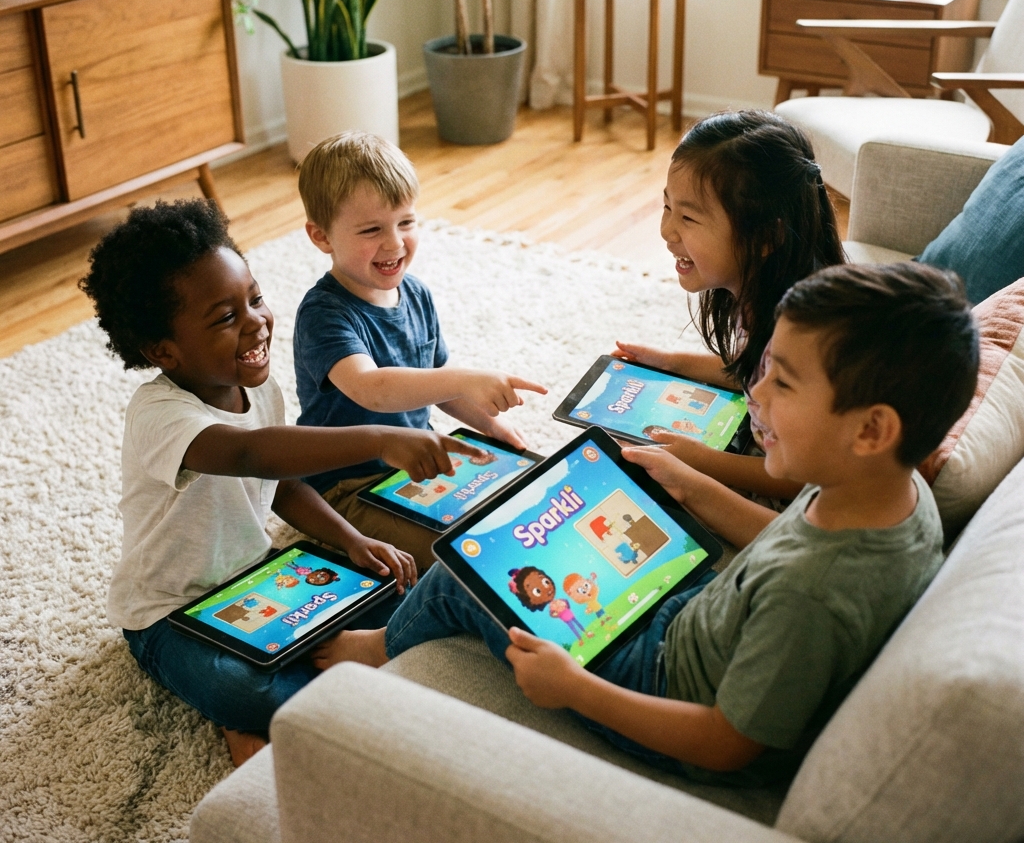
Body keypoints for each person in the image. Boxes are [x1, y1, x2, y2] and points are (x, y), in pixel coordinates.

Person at [313, 263, 978, 786]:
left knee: (467, 573)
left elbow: (724, 743)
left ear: (871, 430)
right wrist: (689, 483)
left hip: (659, 681)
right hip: (698, 618)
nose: (755, 392)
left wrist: (576, 689)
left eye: (784, 383)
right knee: (585, 513)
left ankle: (377, 648)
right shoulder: (896, 494)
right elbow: (779, 540)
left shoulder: (813, 595)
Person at [80, 199, 487, 768]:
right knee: (246, 688)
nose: (256, 322)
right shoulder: (159, 416)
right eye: (225, 318)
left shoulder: (259, 389)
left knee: (402, 599)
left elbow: (284, 483)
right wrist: (377, 438)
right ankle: (246, 716)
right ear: (162, 350)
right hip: (169, 613)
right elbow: (248, 452)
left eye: (255, 299)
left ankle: (288, 695)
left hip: (259, 577)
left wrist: (352, 540)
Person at [293, 131, 546, 572]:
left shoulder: (416, 294)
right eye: (371, 230)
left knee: (526, 504)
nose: (394, 244)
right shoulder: (323, 314)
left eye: (406, 222)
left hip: (418, 461)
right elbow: (372, 389)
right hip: (346, 486)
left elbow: (437, 386)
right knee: (462, 556)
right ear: (322, 236)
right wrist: (465, 378)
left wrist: (493, 428)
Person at [613, 110, 845, 508]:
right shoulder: (762, 294)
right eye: (667, 207)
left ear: (766, 236)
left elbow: (803, 479)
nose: (667, 231)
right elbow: (750, 367)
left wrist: (701, 462)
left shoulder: (805, 338)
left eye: (688, 217)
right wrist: (670, 363)